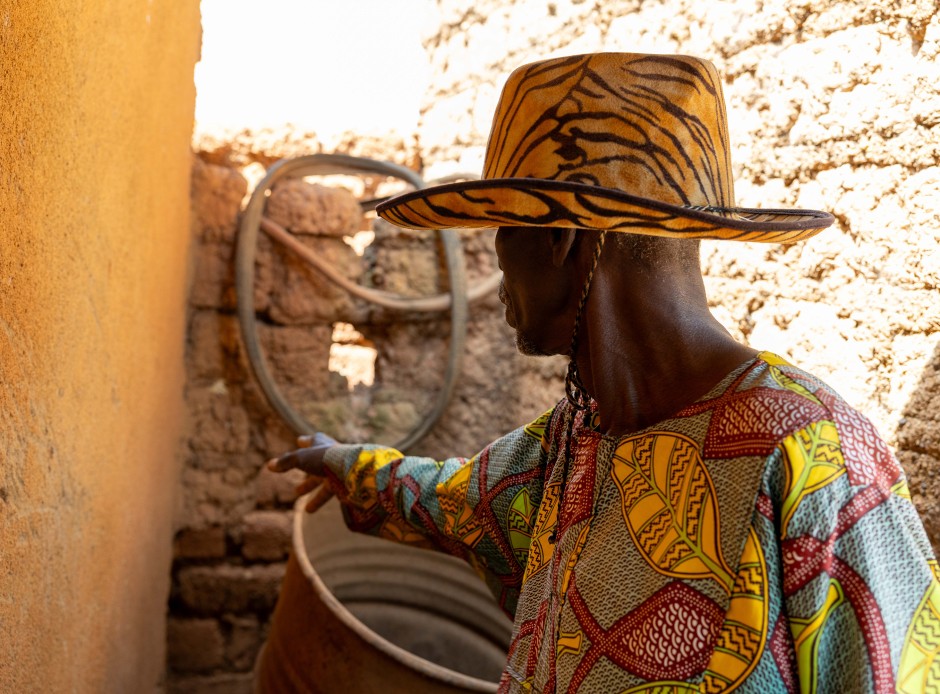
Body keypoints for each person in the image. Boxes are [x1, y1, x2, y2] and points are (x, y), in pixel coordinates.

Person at [268, 53, 940, 693]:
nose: (494, 257)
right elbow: (458, 500)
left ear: (561, 238)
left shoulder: (812, 457)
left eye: (505, 226)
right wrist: (351, 467)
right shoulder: (578, 438)